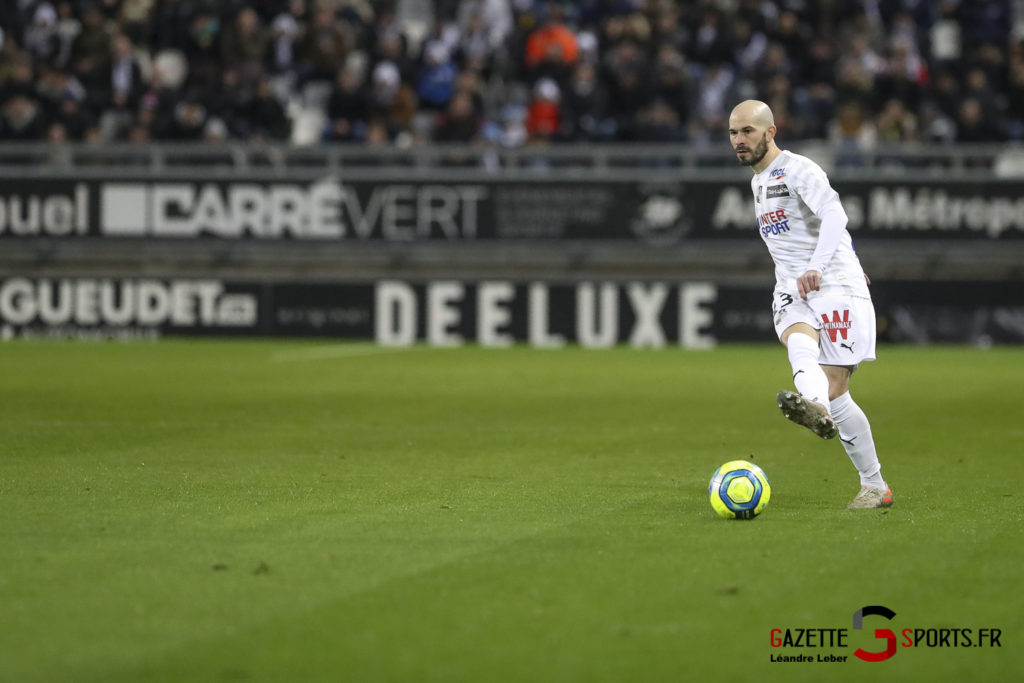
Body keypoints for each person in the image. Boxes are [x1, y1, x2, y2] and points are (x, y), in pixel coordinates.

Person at [727, 99, 893, 510]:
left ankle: (874, 485)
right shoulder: (758, 181)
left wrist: (824, 267)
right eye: (733, 133)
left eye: (748, 131)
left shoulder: (799, 169)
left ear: (771, 132)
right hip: (793, 287)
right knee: (798, 343)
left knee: (837, 388)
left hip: (833, 284)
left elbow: (835, 215)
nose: (739, 140)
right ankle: (814, 406)